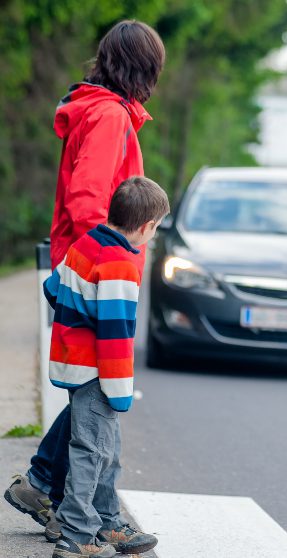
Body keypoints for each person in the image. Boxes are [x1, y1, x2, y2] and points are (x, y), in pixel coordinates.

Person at [3, 19, 164, 540]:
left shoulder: (99, 110)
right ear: (144, 69)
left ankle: (44, 484)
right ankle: (82, 518)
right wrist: (112, 261)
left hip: (83, 266)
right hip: (97, 273)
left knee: (89, 393)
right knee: (97, 395)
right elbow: (88, 201)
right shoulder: (110, 117)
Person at [47, 177, 169, 558]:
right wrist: (119, 392)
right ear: (147, 227)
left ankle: (107, 520)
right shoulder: (120, 265)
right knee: (91, 450)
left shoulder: (86, 243)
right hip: (97, 372)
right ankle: (77, 534)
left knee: (105, 447)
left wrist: (78, 312)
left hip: (72, 360)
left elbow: (53, 287)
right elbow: (115, 337)